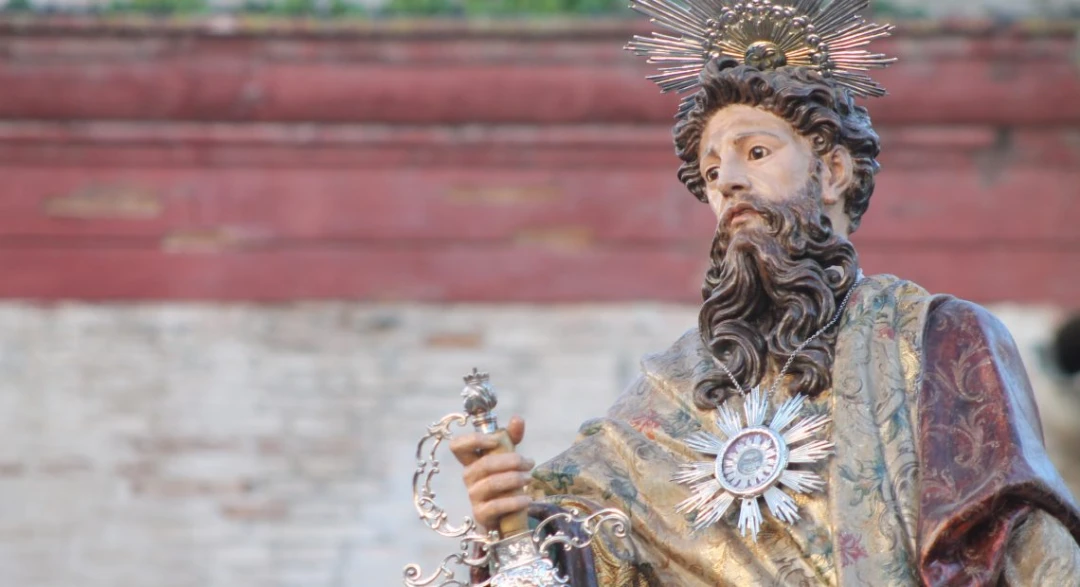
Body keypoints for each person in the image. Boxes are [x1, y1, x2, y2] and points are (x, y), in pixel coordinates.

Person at [450, 1, 1080, 584]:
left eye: (756, 151)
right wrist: (514, 517)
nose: (729, 181)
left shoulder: (938, 341)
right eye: (712, 171)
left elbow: (1023, 541)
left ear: (831, 171)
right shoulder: (670, 393)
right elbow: (585, 547)